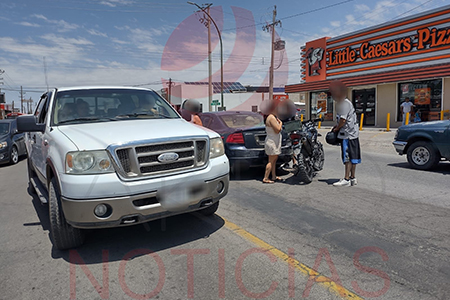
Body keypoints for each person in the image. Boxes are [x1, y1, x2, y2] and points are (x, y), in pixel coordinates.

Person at [330, 80, 361, 187]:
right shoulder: (346, 103)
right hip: (353, 134)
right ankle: (353, 178)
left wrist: (337, 128)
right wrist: (337, 125)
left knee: (347, 157)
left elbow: (343, 120)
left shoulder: (344, 104)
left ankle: (346, 179)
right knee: (353, 156)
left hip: (347, 135)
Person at [263, 100, 283, 184]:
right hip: (272, 142)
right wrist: (281, 123)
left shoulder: (272, 117)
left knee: (274, 160)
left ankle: (274, 176)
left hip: (274, 141)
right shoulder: (271, 118)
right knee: (271, 161)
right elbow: (277, 130)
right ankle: (266, 178)